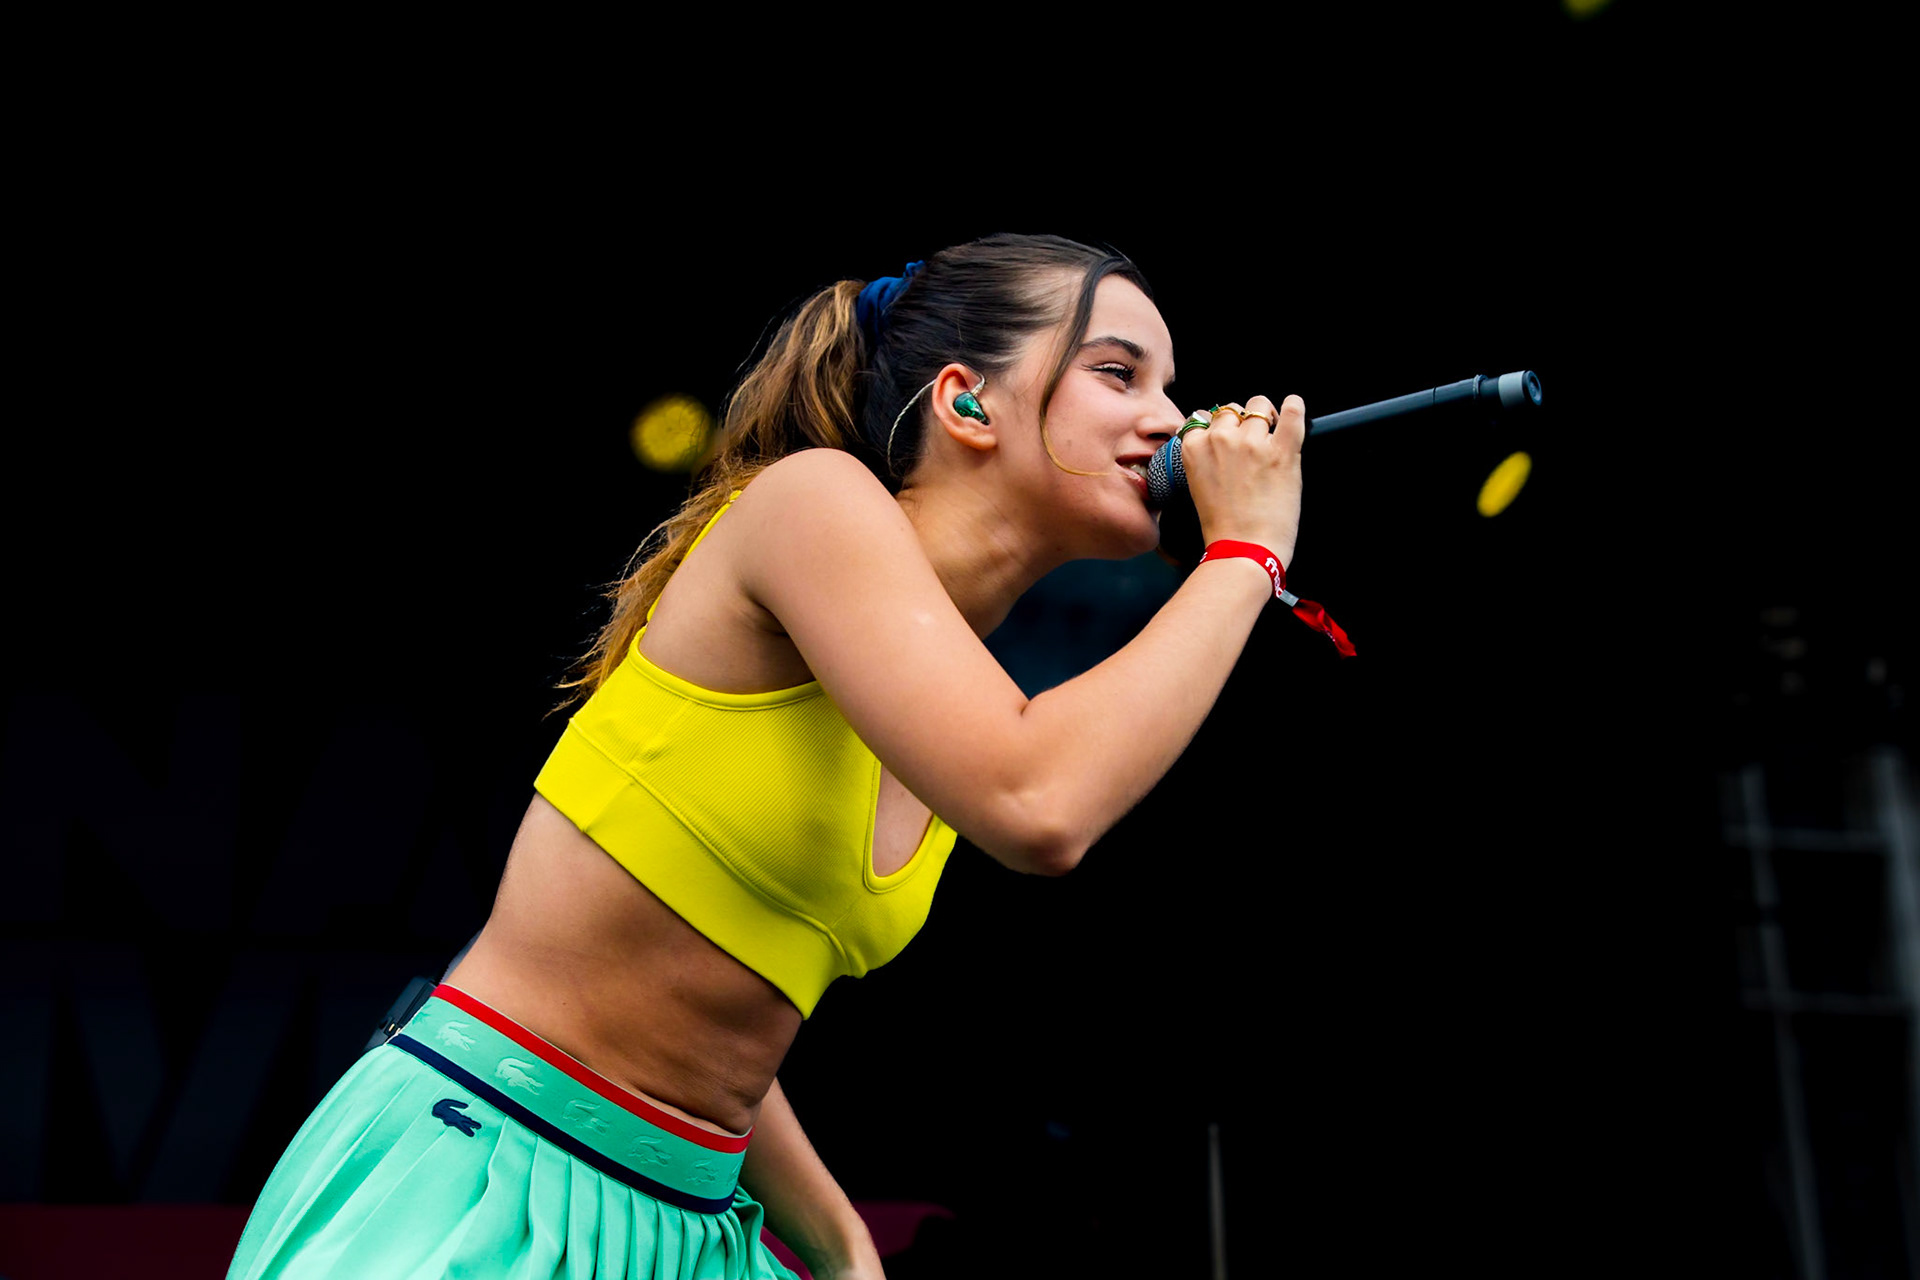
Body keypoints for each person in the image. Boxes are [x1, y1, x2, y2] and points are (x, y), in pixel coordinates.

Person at [226, 232, 1309, 1279]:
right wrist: (1247, 551)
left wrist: (834, 1235)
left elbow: (711, 989)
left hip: (692, 1212)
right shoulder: (815, 500)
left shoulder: (947, 686)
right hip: (496, 1162)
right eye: (1118, 371)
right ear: (966, 399)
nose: (1169, 418)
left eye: (1170, 385)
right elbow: (1043, 804)